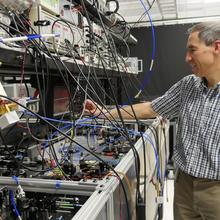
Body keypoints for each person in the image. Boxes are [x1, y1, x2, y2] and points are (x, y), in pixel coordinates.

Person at [84, 22, 220, 220]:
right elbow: (150, 108)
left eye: (193, 50)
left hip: (215, 190)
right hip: (183, 186)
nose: (187, 58)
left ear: (216, 47)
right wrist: (103, 113)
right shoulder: (188, 85)